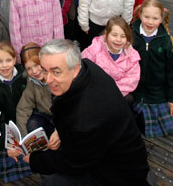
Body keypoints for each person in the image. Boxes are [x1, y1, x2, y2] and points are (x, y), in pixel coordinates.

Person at [29, 39, 149, 186]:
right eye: (45, 70)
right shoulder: (88, 67)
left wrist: (33, 159)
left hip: (119, 175)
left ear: (75, 69)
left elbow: (72, 163)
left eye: (56, 72)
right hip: (121, 152)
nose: (47, 79)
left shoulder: (84, 119)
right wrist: (61, 131)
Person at [0, 41, 32, 183]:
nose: (4, 65)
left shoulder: (23, 76)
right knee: (7, 161)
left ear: (14, 60)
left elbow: (30, 105)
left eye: (8, 60)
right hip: (5, 128)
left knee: (33, 158)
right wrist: (9, 143)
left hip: (24, 123)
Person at [132, 0, 173, 138]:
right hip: (134, 88)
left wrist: (171, 98)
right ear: (139, 15)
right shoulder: (131, 35)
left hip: (157, 90)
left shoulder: (166, 40)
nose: (150, 22)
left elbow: (171, 71)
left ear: (161, 18)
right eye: (146, 17)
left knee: (164, 126)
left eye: (155, 18)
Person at [82, 16, 140, 98]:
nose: (118, 39)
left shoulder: (131, 56)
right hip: (94, 91)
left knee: (129, 99)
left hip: (117, 93)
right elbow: (83, 70)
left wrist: (111, 89)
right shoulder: (94, 50)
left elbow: (132, 79)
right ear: (106, 34)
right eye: (114, 35)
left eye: (123, 36)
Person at [16, 43, 54, 137]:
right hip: (45, 116)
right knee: (32, 123)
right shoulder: (32, 83)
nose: (34, 71)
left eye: (37, 65)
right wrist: (24, 138)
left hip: (62, 116)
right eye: (29, 68)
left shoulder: (55, 78)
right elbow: (23, 110)